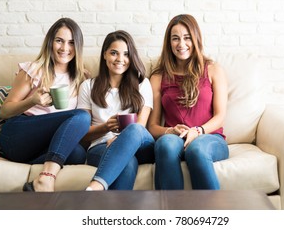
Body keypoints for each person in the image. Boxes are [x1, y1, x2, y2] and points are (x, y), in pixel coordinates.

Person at [0, 18, 91, 192]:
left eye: (71, 43)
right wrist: (31, 101)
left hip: (44, 146)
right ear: (50, 42)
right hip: (18, 134)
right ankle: (46, 179)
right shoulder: (34, 70)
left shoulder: (82, 78)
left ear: (78, 47)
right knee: (81, 116)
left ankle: (9, 162)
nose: (65, 48)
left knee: (78, 153)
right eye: (59, 41)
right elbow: (5, 111)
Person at [148, 14, 229, 190]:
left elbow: (220, 116)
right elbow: (152, 127)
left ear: (196, 39)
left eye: (187, 38)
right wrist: (170, 131)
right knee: (165, 144)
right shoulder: (158, 77)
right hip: (175, 138)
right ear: (169, 43)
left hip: (210, 138)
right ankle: (171, 212)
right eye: (175, 38)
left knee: (197, 150)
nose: (181, 44)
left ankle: (211, 215)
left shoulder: (213, 70)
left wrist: (198, 131)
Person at [77, 30, 154, 191]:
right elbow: (83, 135)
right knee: (128, 163)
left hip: (139, 145)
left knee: (134, 129)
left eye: (126, 54)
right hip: (101, 146)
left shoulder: (142, 84)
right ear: (104, 54)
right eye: (114, 53)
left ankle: (96, 186)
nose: (120, 59)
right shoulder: (88, 87)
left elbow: (140, 126)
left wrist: (120, 139)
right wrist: (105, 127)